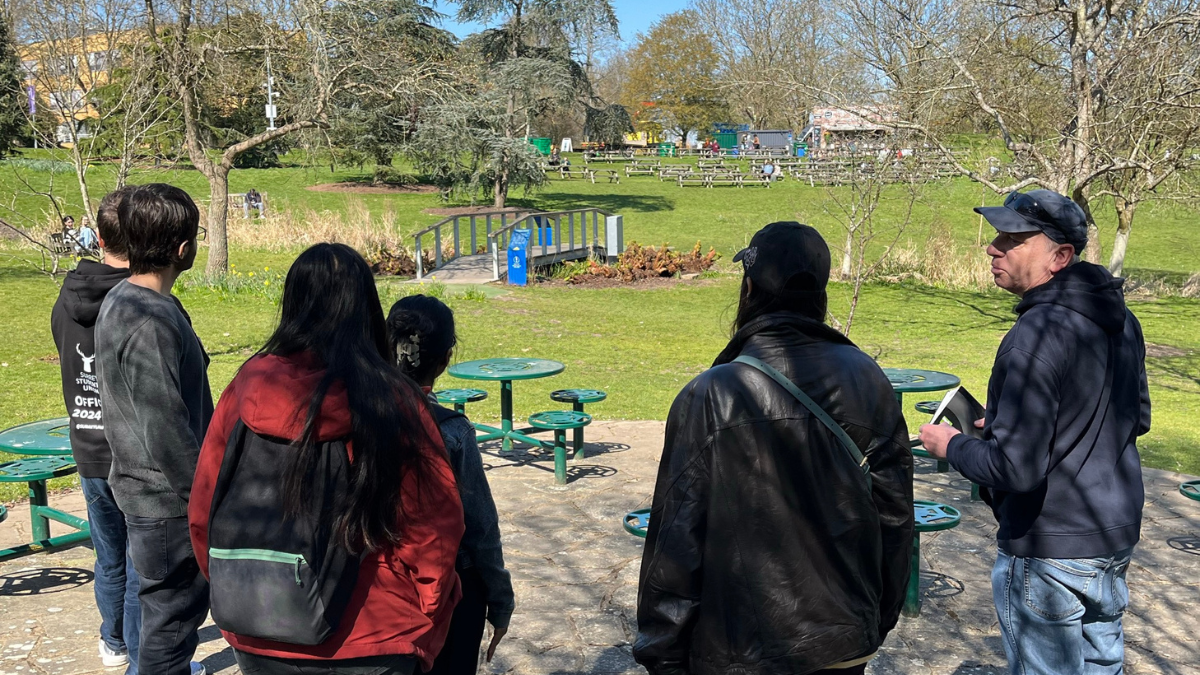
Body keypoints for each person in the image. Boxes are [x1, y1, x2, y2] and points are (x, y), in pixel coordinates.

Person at [633, 222, 914, 675]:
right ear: (820, 292)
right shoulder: (869, 379)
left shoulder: (710, 394)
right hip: (844, 642)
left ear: (749, 289)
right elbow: (897, 518)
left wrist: (663, 652)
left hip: (738, 649)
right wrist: (874, 622)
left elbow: (677, 538)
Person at [189, 244, 465, 675]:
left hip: (263, 624)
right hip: (376, 635)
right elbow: (434, 526)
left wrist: (236, 583)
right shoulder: (394, 400)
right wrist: (428, 611)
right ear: (367, 310)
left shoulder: (245, 387)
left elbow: (205, 503)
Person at [920, 190, 1149, 675]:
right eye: (997, 235)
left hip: (1049, 547)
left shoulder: (1034, 336)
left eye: (1013, 238)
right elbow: (1136, 418)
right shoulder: (1122, 320)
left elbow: (1015, 469)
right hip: (1113, 535)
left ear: (1059, 256)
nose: (993, 248)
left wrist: (952, 444)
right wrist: (1013, 426)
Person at [95, 184, 213, 675]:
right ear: (183, 249)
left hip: (152, 498)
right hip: (166, 505)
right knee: (169, 630)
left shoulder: (123, 298)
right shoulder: (149, 318)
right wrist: (205, 498)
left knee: (165, 623)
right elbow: (164, 427)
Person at [387, 295, 515, 675]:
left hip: (379, 589)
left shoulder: (353, 416)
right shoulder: (452, 431)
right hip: (450, 589)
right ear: (445, 360)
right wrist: (500, 599)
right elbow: (480, 528)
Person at [51, 188, 141, 673]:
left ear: (99, 237)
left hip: (86, 441)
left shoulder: (63, 301)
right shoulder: (142, 303)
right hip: (132, 453)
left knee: (109, 556)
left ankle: (114, 641)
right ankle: (139, 649)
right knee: (140, 561)